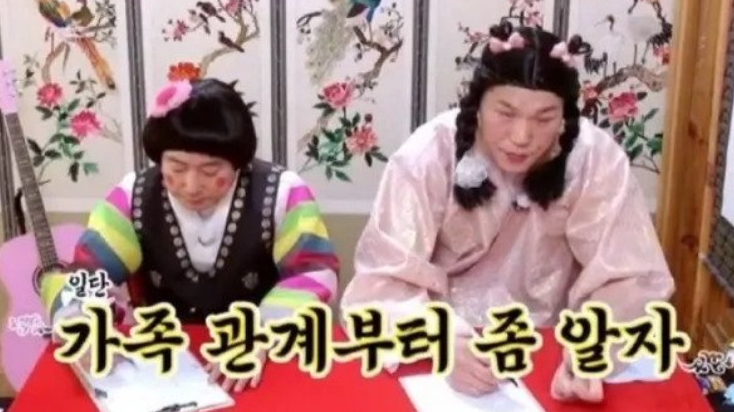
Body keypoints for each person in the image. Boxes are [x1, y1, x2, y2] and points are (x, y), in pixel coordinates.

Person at [341, 22, 675, 402]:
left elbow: (631, 277)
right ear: (477, 105)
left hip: (547, 345)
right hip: (444, 343)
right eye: (506, 112)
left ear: (565, 118)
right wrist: (440, 342)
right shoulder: (429, 155)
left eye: (544, 118)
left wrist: (590, 350)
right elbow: (383, 281)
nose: (521, 137)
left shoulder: (593, 159)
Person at [40, 77, 340, 393]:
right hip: (164, 360)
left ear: (239, 162)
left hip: (261, 358)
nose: (192, 185)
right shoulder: (133, 197)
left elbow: (314, 273)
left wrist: (260, 332)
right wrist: (83, 323)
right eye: (177, 167)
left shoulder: (283, 192)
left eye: (210, 171)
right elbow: (83, 275)